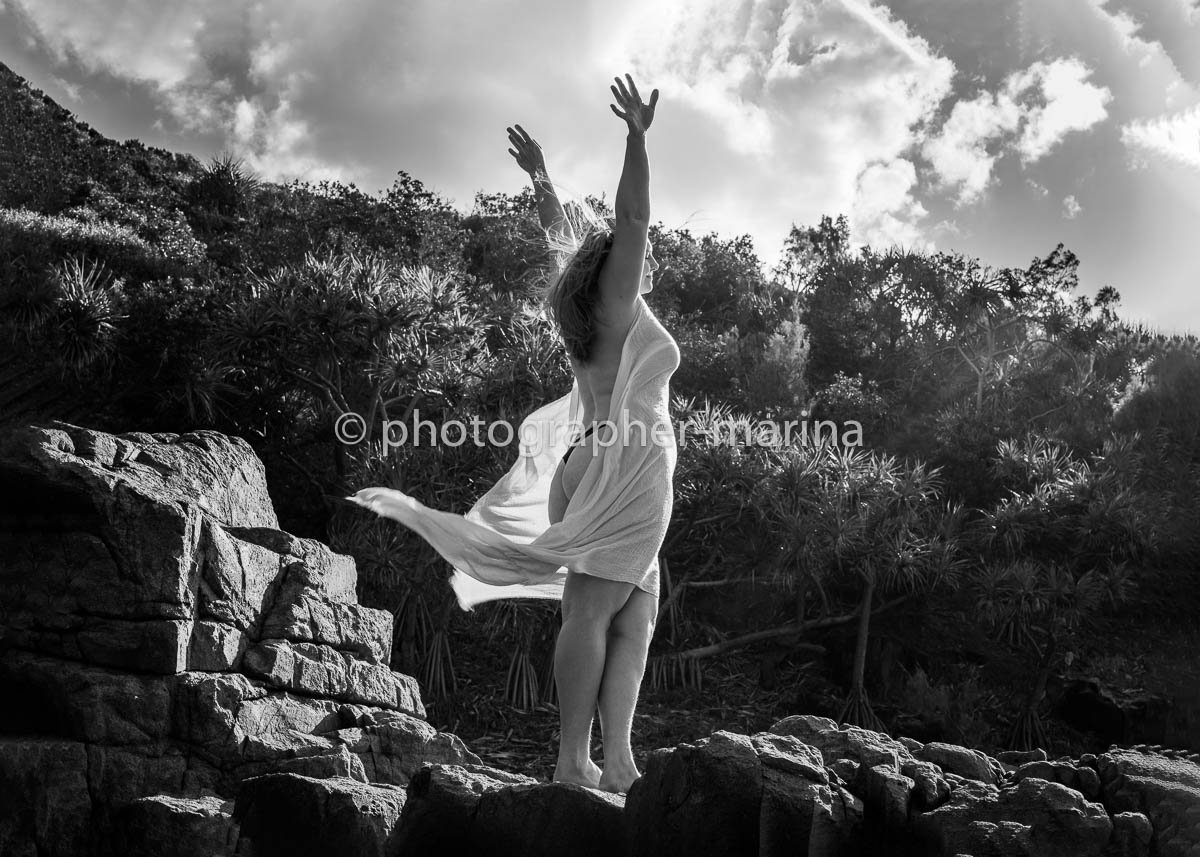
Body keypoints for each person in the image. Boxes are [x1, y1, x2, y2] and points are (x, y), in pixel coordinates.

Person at [348, 73, 679, 796]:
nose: (643, 253)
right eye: (630, 250)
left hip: (593, 465)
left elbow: (563, 234)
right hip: (618, 467)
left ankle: (614, 757)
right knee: (597, 607)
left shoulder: (592, 303)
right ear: (614, 263)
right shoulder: (618, 300)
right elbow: (631, 216)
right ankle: (570, 759)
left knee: (636, 610)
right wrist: (636, 139)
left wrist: (541, 176)